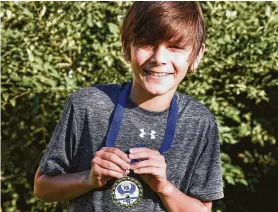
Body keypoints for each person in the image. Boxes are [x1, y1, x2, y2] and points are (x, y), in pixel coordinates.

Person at [34, 2, 224, 211]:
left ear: (197, 55)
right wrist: (88, 179)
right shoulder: (87, 105)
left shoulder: (199, 122)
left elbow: (203, 209)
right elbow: (42, 188)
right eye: (146, 43)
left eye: (175, 47)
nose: (159, 58)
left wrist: (164, 187)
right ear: (126, 48)